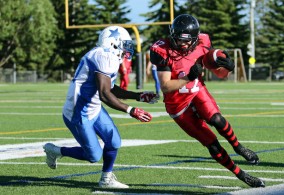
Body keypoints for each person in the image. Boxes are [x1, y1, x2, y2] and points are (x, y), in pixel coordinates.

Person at [150, 14, 265, 188]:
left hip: (196, 91)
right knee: (212, 143)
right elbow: (165, 86)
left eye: (186, 41)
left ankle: (239, 147)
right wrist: (189, 76)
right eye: (178, 39)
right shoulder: (162, 50)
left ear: (196, 39)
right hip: (178, 105)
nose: (181, 44)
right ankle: (241, 175)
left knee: (217, 119)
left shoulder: (203, 43)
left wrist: (228, 68)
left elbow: (221, 74)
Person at [43, 26, 158, 189]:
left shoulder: (107, 56)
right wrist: (131, 110)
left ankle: (106, 179)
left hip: (93, 108)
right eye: (124, 44)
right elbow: (105, 93)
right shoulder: (104, 56)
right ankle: (55, 151)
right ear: (113, 43)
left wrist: (137, 96)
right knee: (94, 155)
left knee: (114, 141)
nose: (127, 48)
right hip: (78, 112)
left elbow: (110, 87)